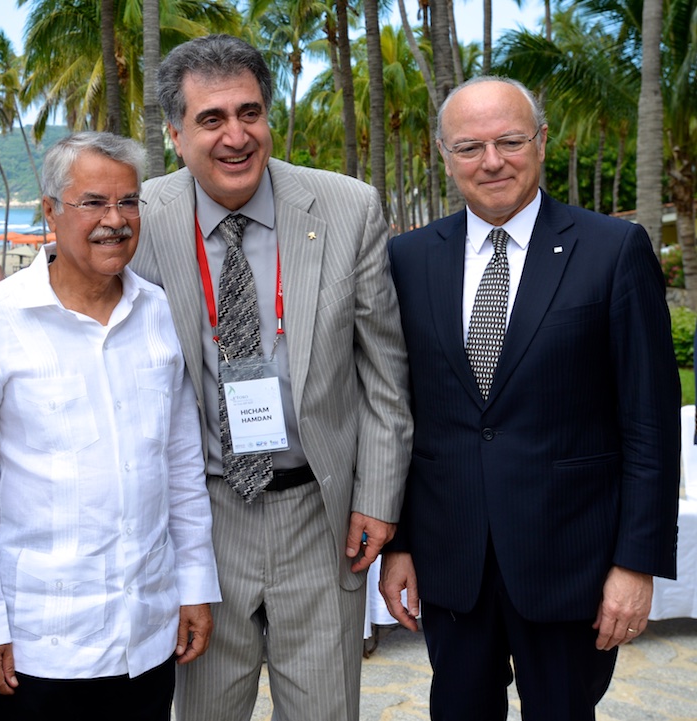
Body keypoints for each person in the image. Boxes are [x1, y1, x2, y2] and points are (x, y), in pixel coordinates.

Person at [130, 34, 413, 720]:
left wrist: (377, 499)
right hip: (201, 517)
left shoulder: (347, 208)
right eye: (211, 119)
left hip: (322, 518)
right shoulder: (138, 216)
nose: (236, 136)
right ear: (174, 133)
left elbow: (384, 374)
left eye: (249, 113)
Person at [382, 76, 680, 720]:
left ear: (541, 143)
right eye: (469, 147)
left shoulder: (613, 251)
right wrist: (400, 543)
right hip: (451, 563)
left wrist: (636, 565)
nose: (492, 161)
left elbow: (649, 423)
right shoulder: (406, 260)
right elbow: (399, 414)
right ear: (444, 154)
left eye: (510, 140)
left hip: (571, 562)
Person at [0, 131, 220, 721]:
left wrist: (195, 587)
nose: (115, 220)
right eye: (94, 203)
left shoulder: (158, 313)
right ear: (51, 210)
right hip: (39, 643)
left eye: (128, 202)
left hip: (147, 634)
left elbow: (181, 467)